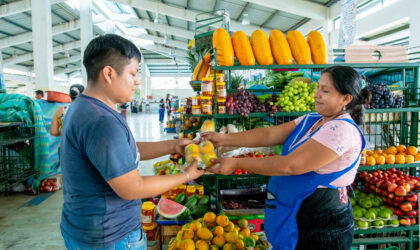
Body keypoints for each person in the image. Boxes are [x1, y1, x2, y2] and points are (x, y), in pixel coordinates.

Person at [59, 34, 204, 249]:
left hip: (84, 228)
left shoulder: (83, 108)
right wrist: (186, 175)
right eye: (133, 74)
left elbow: (124, 152)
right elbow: (131, 189)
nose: (137, 81)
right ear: (108, 73)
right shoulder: (102, 122)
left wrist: (172, 145)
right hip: (111, 237)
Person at [202, 66, 370, 250]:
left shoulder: (342, 130)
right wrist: (223, 139)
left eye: (325, 90)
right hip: (298, 215)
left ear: (346, 99)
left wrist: (236, 163)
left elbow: (291, 165)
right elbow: (268, 135)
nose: (316, 94)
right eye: (318, 87)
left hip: (321, 223)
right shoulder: (313, 120)